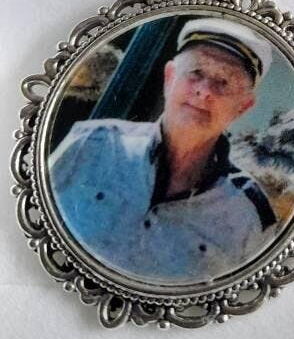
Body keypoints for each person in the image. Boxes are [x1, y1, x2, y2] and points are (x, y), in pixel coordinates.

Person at [49, 18, 279, 285]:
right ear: (169, 78)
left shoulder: (249, 219)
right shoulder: (91, 144)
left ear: (242, 107)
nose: (204, 91)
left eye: (224, 81)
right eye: (196, 72)